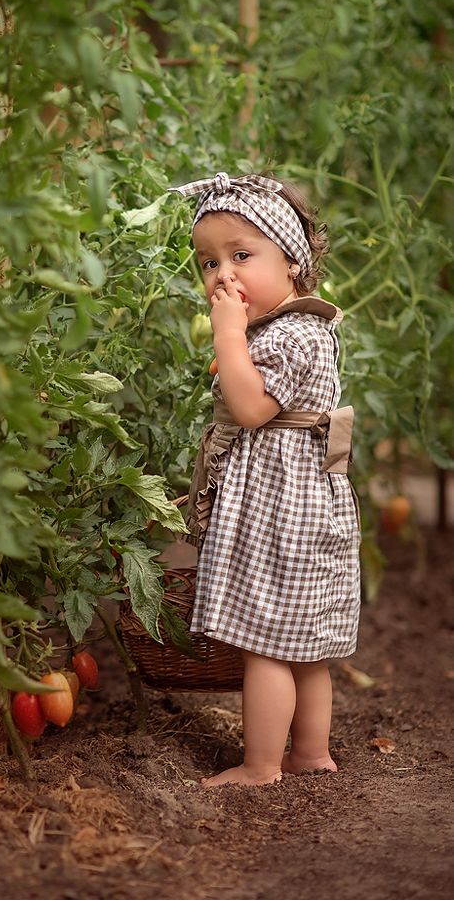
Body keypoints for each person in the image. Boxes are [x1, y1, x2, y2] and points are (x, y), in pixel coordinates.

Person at [169, 171, 361, 787]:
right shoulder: (299, 328)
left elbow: (251, 409)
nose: (222, 274)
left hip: (285, 510)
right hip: (303, 501)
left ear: (293, 264)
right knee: (305, 647)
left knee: (268, 644)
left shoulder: (290, 334)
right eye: (208, 262)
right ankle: (309, 753)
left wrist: (227, 336)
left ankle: (261, 765)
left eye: (241, 255)